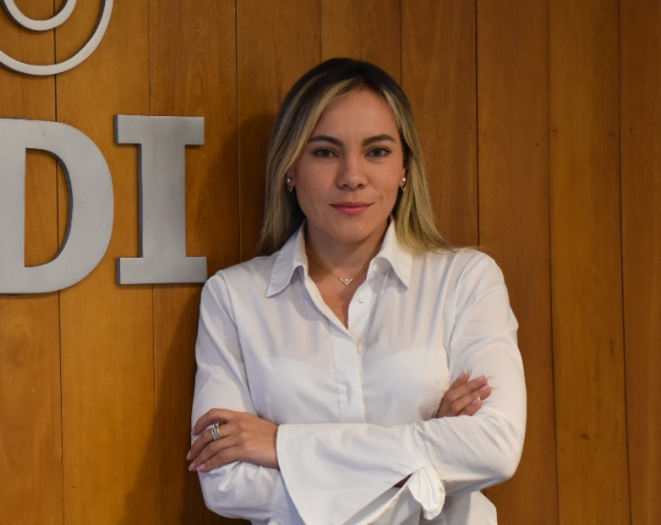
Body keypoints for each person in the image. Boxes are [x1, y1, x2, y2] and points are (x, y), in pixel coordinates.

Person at [187, 58, 525, 524]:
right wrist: (428, 448)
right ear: (290, 168)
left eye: (377, 151)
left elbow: (494, 448)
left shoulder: (466, 280)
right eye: (325, 152)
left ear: (404, 168)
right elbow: (226, 482)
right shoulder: (232, 297)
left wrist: (282, 445)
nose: (352, 176)